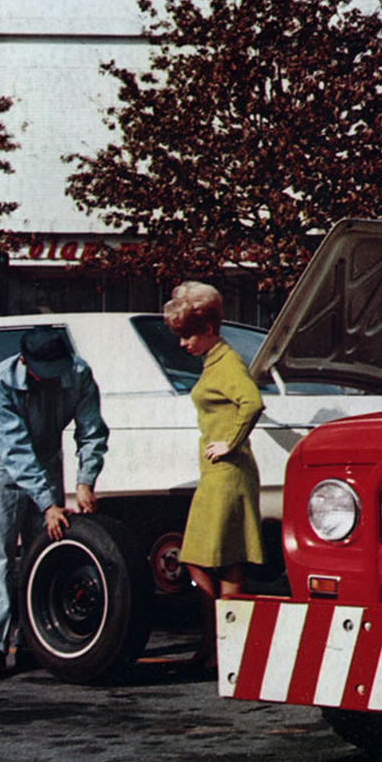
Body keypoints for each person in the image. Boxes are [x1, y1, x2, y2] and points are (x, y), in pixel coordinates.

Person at [0, 326, 109, 680]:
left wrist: (85, 481)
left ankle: (31, 641)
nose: (52, 381)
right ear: (25, 362)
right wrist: (49, 502)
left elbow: (92, 430)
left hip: (48, 454)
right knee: (0, 554)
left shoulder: (79, 374)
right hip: (0, 459)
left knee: (40, 551)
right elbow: (15, 449)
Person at [162, 281, 265, 668]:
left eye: (188, 335)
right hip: (218, 474)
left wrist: (230, 443)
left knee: (216, 559)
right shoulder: (215, 361)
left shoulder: (228, 362)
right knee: (211, 558)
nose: (183, 344)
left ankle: (221, 648)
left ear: (208, 329)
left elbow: (252, 402)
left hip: (228, 473)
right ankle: (217, 647)